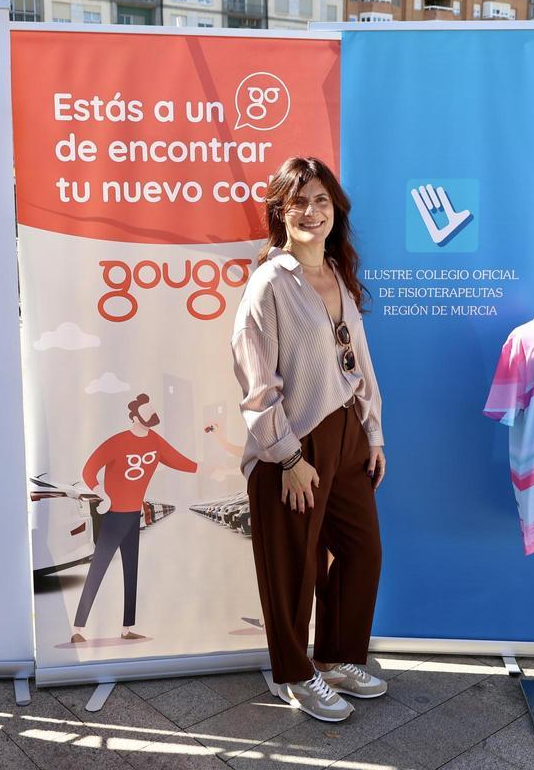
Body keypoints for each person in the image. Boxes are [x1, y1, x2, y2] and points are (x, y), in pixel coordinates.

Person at [231, 156, 388, 722]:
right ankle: (295, 673)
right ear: (280, 211)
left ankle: (340, 658)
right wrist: (288, 456)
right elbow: (256, 384)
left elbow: (360, 362)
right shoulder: (269, 284)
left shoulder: (339, 275)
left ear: (335, 212)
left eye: (321, 201)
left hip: (346, 434)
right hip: (294, 444)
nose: (311, 211)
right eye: (298, 201)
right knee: (293, 565)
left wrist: (373, 433)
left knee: (361, 551)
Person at [70, 393, 197, 643]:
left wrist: (203, 467)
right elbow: (89, 469)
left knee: (131, 570)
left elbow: (178, 459)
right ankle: (78, 629)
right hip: (114, 515)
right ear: (135, 416)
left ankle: (127, 628)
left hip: (133, 514)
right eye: (147, 415)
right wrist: (101, 493)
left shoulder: (155, 442)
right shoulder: (118, 442)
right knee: (99, 568)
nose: (151, 419)